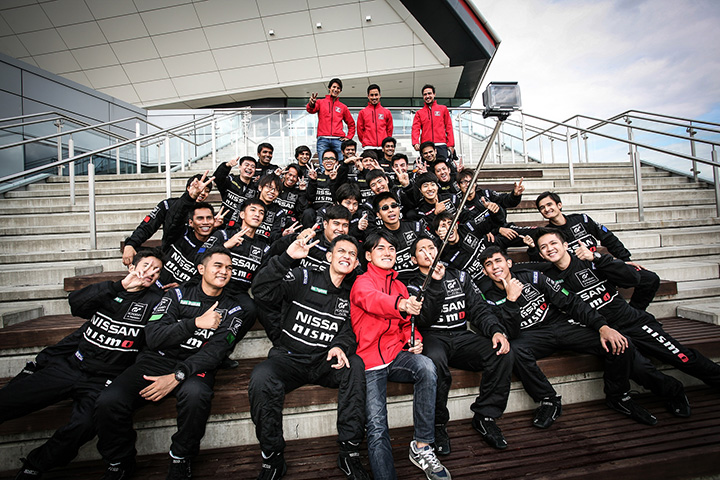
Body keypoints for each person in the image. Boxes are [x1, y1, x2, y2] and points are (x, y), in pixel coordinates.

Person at [95, 247, 254, 480]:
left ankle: (181, 457)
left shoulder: (234, 308)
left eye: (229, 268)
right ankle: (119, 461)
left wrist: (178, 375)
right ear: (201, 269)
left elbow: (215, 353)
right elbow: (153, 337)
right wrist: (195, 323)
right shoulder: (176, 295)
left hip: (195, 367)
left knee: (196, 395)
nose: (224, 271)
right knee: (108, 400)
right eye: (218, 266)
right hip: (156, 359)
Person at [4, 250, 164, 480]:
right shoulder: (110, 290)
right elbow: (76, 304)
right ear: (132, 267)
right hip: (71, 367)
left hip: (103, 380)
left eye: (157, 270)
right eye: (147, 266)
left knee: (83, 425)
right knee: (11, 398)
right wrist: (119, 286)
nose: (151, 272)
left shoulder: (156, 301)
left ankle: (35, 465)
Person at [536, 227, 720, 417]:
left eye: (553, 243)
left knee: (681, 357)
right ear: (541, 254)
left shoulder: (590, 261)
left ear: (566, 245)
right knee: (640, 368)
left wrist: (597, 257)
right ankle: (674, 392)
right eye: (543, 247)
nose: (550, 248)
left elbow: (632, 278)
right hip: (602, 331)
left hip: (631, 321)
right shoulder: (547, 277)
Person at [479, 246, 657, 429]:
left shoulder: (533, 277)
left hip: (561, 326)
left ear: (509, 263)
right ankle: (549, 400)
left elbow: (571, 302)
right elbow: (511, 332)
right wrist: (511, 301)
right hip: (531, 336)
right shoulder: (488, 296)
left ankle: (618, 396)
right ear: (485, 272)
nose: (495, 267)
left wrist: (602, 326)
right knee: (514, 351)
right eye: (489, 264)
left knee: (618, 341)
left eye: (498, 261)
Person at [249, 233, 369, 480]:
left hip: (324, 362)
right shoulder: (302, 276)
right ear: (329, 256)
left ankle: (349, 452)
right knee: (261, 377)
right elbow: (261, 292)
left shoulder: (353, 293)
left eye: (352, 254)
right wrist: (286, 258)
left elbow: (350, 331)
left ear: (357, 262)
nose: (346, 256)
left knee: (355, 365)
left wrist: (340, 346)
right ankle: (272, 458)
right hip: (290, 359)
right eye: (341, 251)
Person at [350, 231, 451, 480]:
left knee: (426, 366)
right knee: (376, 426)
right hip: (370, 361)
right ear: (368, 255)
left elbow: (407, 324)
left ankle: (422, 445)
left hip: (396, 355)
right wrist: (401, 304)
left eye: (392, 249)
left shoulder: (399, 285)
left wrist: (413, 338)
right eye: (380, 248)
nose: (387, 253)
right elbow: (372, 300)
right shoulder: (362, 281)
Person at [407, 237, 513, 452]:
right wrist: (435, 283)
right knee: (434, 362)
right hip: (432, 336)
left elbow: (479, 309)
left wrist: (495, 330)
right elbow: (424, 319)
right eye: (421, 250)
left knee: (502, 352)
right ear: (413, 259)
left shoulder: (460, 276)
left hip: (461, 335)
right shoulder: (411, 283)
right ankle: (437, 424)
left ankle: (485, 416)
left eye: (431, 247)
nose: (428, 252)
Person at [535, 191, 660, 310]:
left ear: (559, 205)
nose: (546, 209)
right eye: (542, 208)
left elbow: (608, 238)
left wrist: (624, 260)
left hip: (601, 265)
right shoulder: (548, 234)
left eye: (549, 204)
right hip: (582, 275)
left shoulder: (582, 219)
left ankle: (636, 312)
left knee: (650, 279)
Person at [122, 174, 212, 265]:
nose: (202, 192)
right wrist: (131, 244)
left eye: (207, 191)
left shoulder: (208, 216)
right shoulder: (168, 205)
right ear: (188, 188)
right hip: (167, 253)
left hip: (190, 260)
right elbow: (147, 226)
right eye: (200, 188)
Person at [370, 192, 426, 282]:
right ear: (379, 215)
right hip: (396, 284)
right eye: (385, 208)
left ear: (399, 208)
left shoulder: (415, 227)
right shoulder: (378, 237)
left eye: (394, 206)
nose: (391, 210)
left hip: (423, 277)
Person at [307, 78, 355, 163]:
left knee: (340, 164)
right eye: (334, 87)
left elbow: (351, 124)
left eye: (338, 88)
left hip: (338, 140)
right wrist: (311, 104)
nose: (336, 89)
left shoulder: (343, 107)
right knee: (323, 164)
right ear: (329, 88)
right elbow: (311, 110)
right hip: (323, 139)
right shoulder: (320, 102)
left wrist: (348, 137)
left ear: (340, 91)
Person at [212, 156, 258, 228]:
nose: (249, 168)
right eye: (246, 165)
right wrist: (227, 165)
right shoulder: (231, 180)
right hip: (221, 222)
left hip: (241, 227)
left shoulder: (255, 189)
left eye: (252, 167)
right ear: (239, 167)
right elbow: (217, 178)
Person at [412, 85, 454, 161]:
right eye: (425, 94)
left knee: (443, 166)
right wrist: (415, 142)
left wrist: (451, 144)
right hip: (426, 147)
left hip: (441, 145)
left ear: (434, 94)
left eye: (429, 93)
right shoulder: (419, 113)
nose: (427, 96)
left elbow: (449, 127)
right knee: (427, 167)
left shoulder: (443, 109)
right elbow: (415, 129)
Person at [357, 84, 393, 152]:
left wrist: (386, 142)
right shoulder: (362, 112)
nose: (374, 97)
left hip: (383, 147)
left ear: (380, 95)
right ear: (368, 96)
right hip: (368, 147)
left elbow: (389, 129)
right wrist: (365, 141)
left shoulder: (386, 112)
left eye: (376, 95)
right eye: (371, 95)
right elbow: (360, 130)